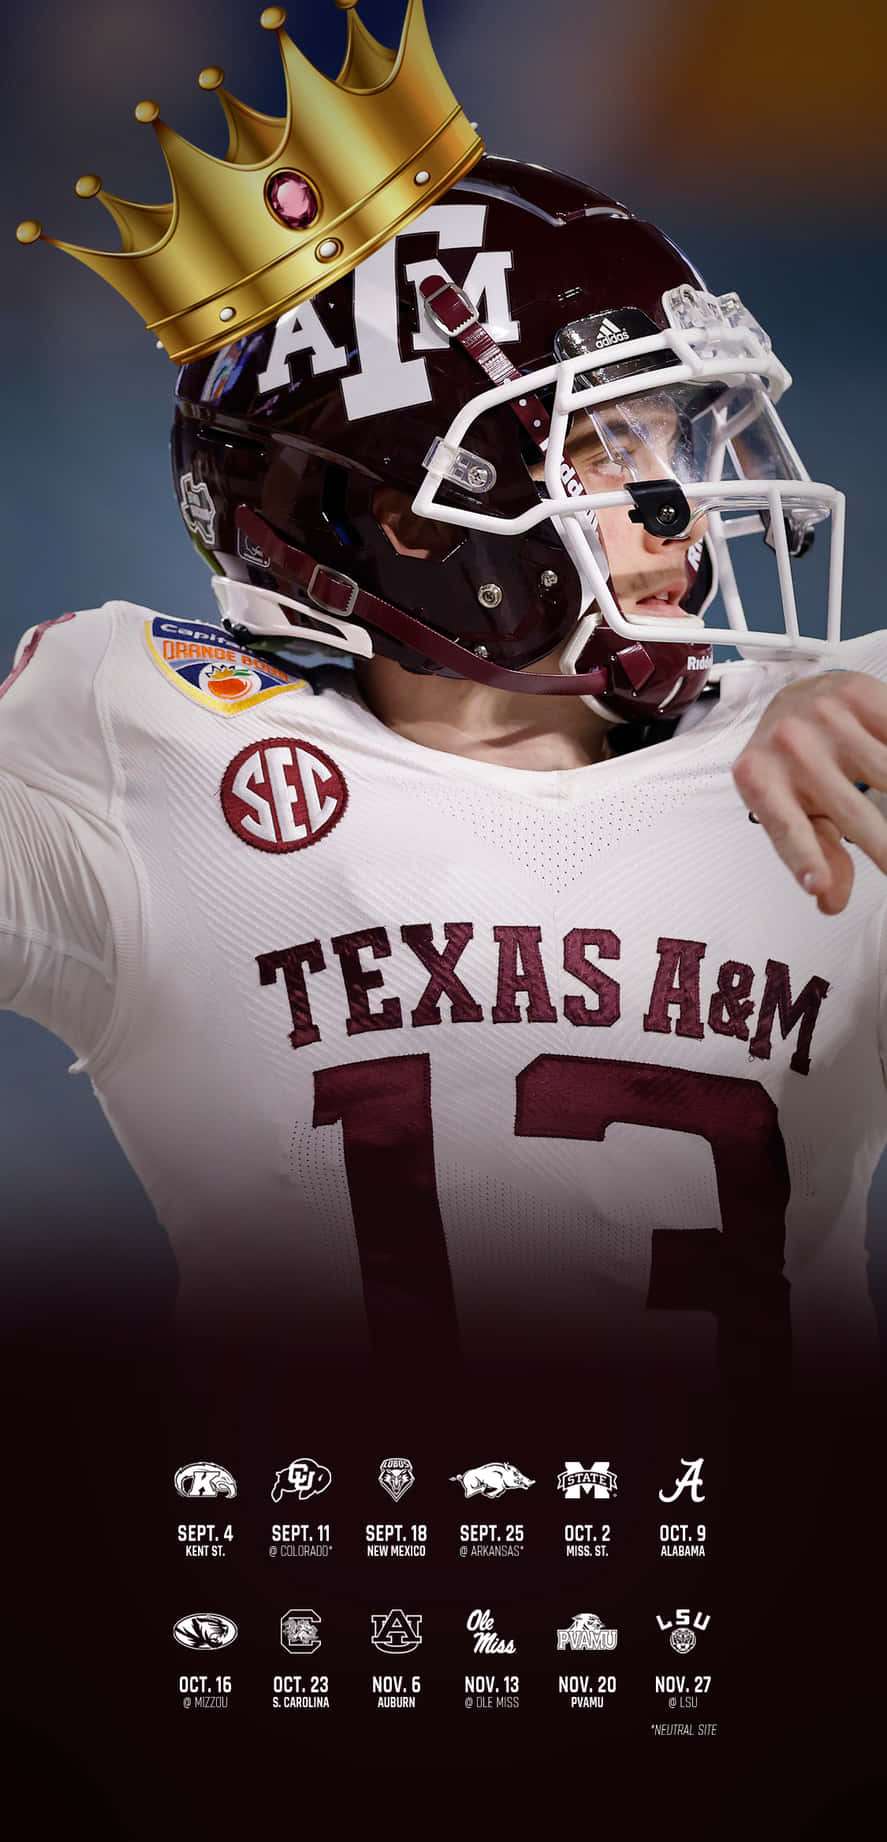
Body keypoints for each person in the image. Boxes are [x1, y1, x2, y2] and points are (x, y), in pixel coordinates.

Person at [6, 9, 887, 1399]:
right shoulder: (153, 745)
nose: (685, 511)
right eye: (610, 447)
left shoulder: (834, 741)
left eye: (680, 436)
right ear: (416, 518)